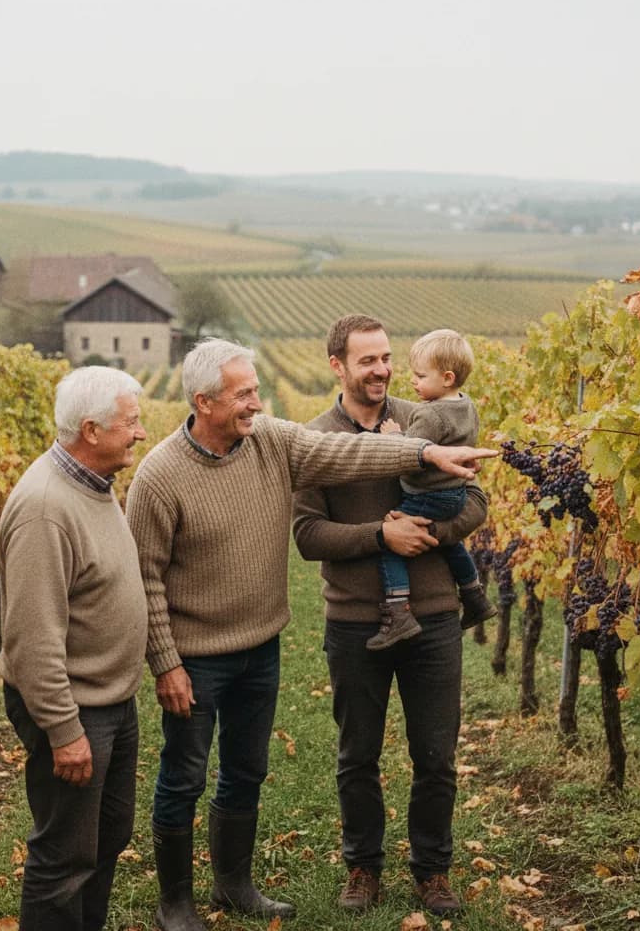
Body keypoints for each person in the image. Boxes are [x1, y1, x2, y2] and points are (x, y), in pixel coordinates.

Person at [125, 337, 494, 931]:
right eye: (244, 393)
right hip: (197, 656)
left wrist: (421, 451)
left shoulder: (273, 439)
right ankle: (176, 903)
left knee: (245, 770)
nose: (256, 402)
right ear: (204, 401)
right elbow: (143, 576)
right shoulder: (161, 474)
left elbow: (350, 454)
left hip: (262, 645)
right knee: (185, 774)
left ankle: (233, 885)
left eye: (255, 390)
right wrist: (166, 662)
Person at [292, 314, 490, 918]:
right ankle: (363, 868)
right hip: (354, 622)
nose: (380, 370)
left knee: (436, 756)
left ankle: (432, 872)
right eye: (366, 360)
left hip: (431, 618)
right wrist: (382, 534)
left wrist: (430, 532)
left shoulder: (429, 416)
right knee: (358, 756)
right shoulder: (316, 438)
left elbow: (476, 498)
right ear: (338, 366)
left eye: (385, 358)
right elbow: (306, 534)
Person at [0, 366, 148, 931]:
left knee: (106, 838)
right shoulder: (45, 509)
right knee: (64, 856)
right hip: (76, 708)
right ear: (91, 429)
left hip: (109, 701)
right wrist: (64, 731)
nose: (139, 432)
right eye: (130, 423)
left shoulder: (92, 485)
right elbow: (32, 639)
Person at [367, 327, 497, 649]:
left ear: (447, 378)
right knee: (451, 544)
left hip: (427, 495)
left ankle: (398, 610)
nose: (413, 381)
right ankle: (474, 595)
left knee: (392, 538)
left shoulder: (429, 413)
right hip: (455, 495)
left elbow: (410, 454)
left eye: (421, 376)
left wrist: (393, 437)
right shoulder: (467, 406)